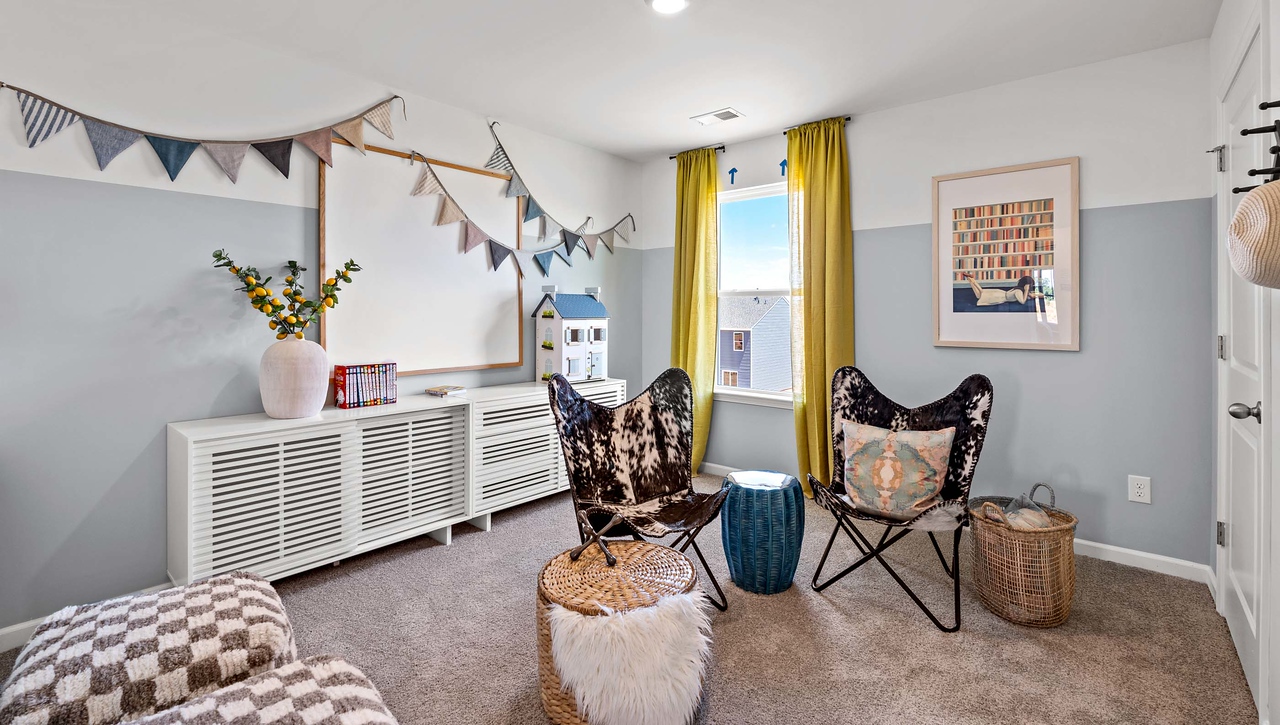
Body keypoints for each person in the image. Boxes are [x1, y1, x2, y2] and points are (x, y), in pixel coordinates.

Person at [962, 273, 1044, 307]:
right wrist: (1026, 290)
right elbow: (1022, 301)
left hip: (1000, 293)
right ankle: (971, 280)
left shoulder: (1018, 289)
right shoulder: (1019, 291)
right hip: (999, 297)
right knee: (980, 294)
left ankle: (971, 280)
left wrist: (1032, 294)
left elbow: (1035, 295)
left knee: (980, 293)